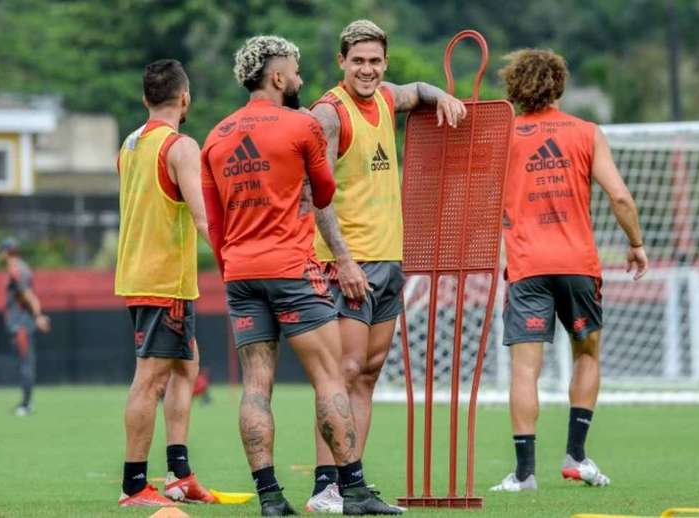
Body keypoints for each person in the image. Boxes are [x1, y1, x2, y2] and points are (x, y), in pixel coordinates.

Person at [201, 35, 402, 516]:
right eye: (294, 71)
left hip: (240, 274)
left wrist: (233, 266)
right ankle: (352, 490)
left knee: (256, 385)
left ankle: (270, 498)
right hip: (292, 269)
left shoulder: (216, 136)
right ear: (276, 77)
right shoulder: (301, 124)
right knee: (332, 377)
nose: (300, 78)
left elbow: (212, 221)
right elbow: (326, 190)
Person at [306, 19, 467, 512]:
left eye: (375, 61)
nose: (368, 70)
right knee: (345, 370)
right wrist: (344, 260)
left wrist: (443, 96)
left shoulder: (386, 98)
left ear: (385, 62)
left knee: (370, 373)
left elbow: (416, 90)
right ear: (341, 63)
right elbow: (318, 195)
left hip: (389, 258)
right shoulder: (328, 114)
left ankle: (351, 484)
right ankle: (324, 486)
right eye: (358, 61)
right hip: (346, 262)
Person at [490, 49, 648, 492]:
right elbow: (620, 197)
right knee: (587, 355)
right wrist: (635, 244)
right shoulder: (586, 132)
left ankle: (524, 475)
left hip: (526, 267)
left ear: (514, 86)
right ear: (559, 84)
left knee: (525, 370)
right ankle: (576, 457)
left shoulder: (502, 136)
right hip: (578, 265)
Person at [115, 59, 215, 506]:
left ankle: (180, 474)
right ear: (185, 98)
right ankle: (134, 485)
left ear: (145, 99)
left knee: (186, 367)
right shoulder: (180, 146)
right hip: (163, 281)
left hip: (142, 274)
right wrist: (240, 259)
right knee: (151, 379)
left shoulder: (130, 144)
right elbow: (201, 216)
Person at [0, 238, 50, 416]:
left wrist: (38, 315)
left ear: (5, 252)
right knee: (24, 363)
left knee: (26, 364)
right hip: (19, 323)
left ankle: (26, 405)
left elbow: (28, 295)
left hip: (21, 325)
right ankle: (25, 402)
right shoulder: (19, 268)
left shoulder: (16, 269)